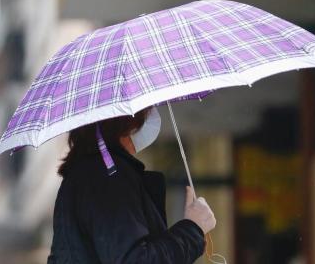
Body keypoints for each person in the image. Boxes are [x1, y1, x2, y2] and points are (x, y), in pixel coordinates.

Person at [47, 107, 217, 264]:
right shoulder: (108, 178)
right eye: (147, 109)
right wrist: (192, 229)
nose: (152, 114)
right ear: (127, 122)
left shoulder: (88, 174)